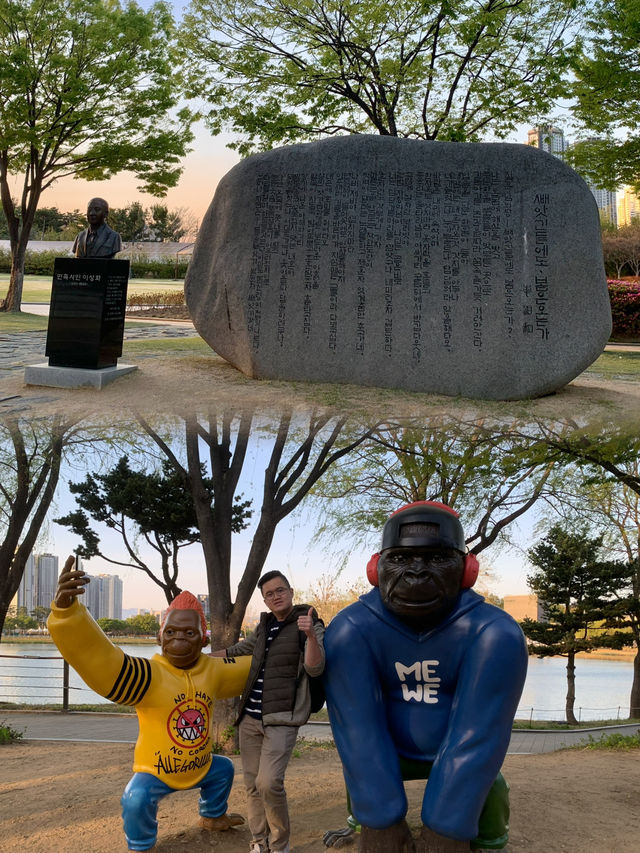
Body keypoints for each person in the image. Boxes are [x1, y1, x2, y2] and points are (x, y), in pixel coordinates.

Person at [322, 501, 528, 853]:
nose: (417, 573)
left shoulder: (494, 632)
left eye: (436, 559)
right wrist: (380, 819)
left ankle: (492, 843)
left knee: (489, 786)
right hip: (389, 748)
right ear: (377, 569)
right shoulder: (352, 629)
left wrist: (448, 828)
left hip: (447, 745)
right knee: (360, 769)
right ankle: (361, 820)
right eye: (401, 559)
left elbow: (477, 737)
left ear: (466, 570)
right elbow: (359, 733)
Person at [47, 556, 251, 852]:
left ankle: (212, 815)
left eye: (189, 632)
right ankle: (141, 845)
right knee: (135, 799)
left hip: (202, 764)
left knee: (224, 770)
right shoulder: (147, 676)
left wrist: (288, 640)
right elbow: (101, 657)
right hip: (156, 771)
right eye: (171, 632)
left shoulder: (214, 670)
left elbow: (253, 666)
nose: (179, 638)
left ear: (204, 640)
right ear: (159, 637)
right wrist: (67, 613)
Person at [212, 570, 325, 853]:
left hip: (282, 718)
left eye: (280, 590)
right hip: (249, 717)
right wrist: (196, 658)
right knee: (251, 784)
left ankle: (279, 845)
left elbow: (315, 667)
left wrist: (310, 634)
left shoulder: (308, 621)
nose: (275, 597)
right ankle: (258, 842)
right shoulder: (263, 627)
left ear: (290, 591)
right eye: (269, 594)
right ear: (264, 600)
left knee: (269, 782)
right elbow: (236, 651)